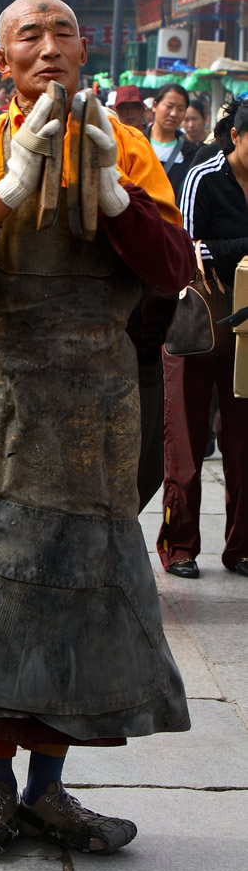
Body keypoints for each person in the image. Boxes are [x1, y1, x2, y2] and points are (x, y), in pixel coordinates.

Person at [0, 0, 195, 862]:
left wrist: (110, 193)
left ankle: (51, 791)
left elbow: (173, 267)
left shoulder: (128, 146)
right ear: (2, 64)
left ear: (84, 53)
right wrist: (1, 197)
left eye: (65, 32)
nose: (50, 46)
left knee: (81, 587)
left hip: (94, 401)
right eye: (30, 34)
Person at [158, 97, 248, 579]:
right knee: (187, 442)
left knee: (243, 443)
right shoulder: (203, 176)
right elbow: (186, 250)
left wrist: (225, 250)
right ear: (235, 136)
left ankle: (241, 548)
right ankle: (180, 545)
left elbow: (213, 249)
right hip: (199, 326)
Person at [147, 83, 199, 200]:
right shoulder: (136, 143)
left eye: (180, 109)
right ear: (155, 105)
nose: (174, 114)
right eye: (169, 106)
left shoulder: (191, 153)